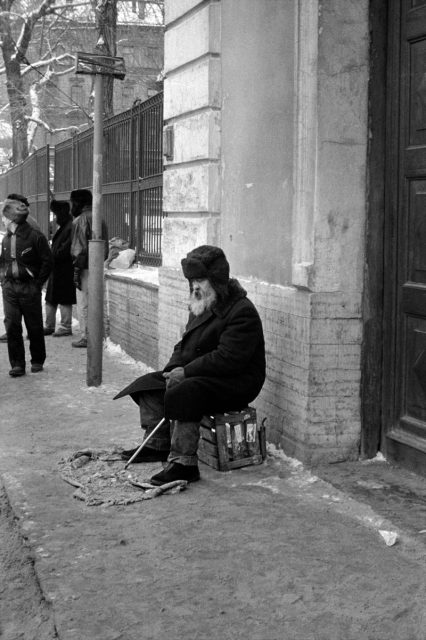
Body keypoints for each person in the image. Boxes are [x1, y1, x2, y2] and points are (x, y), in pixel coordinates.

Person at [114, 245, 266, 486]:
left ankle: (184, 463)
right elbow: (185, 344)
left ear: (216, 280)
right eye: (192, 280)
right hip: (207, 374)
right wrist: (172, 368)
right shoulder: (202, 302)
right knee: (149, 385)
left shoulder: (241, 311)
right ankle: (157, 445)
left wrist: (186, 372)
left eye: (200, 279)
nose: (195, 285)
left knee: (186, 391)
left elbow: (228, 359)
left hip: (237, 381)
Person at [0, 195, 53, 376]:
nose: (2, 220)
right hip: (10, 289)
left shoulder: (35, 237)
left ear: (12, 218)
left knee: (34, 326)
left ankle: (37, 360)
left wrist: (37, 283)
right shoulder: (6, 239)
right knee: (12, 326)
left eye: (4, 217)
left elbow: (48, 261)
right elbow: (3, 262)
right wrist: (4, 281)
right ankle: (17, 364)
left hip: (29, 288)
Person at [70, 189, 109, 348]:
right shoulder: (99, 217)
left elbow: (77, 249)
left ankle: (87, 336)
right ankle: (97, 335)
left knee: (84, 302)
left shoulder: (80, 220)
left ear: (78, 203)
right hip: (97, 264)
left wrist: (76, 269)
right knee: (96, 301)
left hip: (84, 266)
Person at [0, 193, 41, 343]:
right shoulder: (27, 220)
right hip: (19, 276)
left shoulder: (24, 223)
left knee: (23, 314)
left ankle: (16, 333)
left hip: (24, 277)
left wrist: (36, 280)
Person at [44, 200, 76, 337]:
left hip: (64, 268)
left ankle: (65, 326)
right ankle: (50, 325)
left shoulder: (69, 227)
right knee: (52, 298)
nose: (55, 218)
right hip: (58, 268)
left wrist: (52, 255)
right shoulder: (66, 225)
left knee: (63, 298)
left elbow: (65, 249)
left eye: (56, 214)